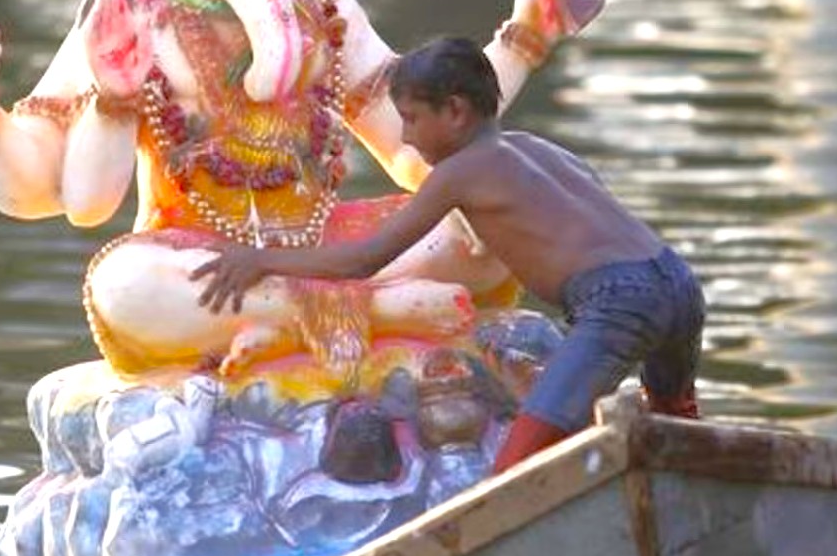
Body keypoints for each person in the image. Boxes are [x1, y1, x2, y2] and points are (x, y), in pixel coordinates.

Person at [192, 34, 704, 473]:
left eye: (412, 120)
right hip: (676, 281)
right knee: (679, 433)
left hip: (618, 302)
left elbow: (364, 260)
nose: (408, 139)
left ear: (456, 111)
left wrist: (261, 259)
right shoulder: (536, 148)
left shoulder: (461, 170)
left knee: (516, 472)